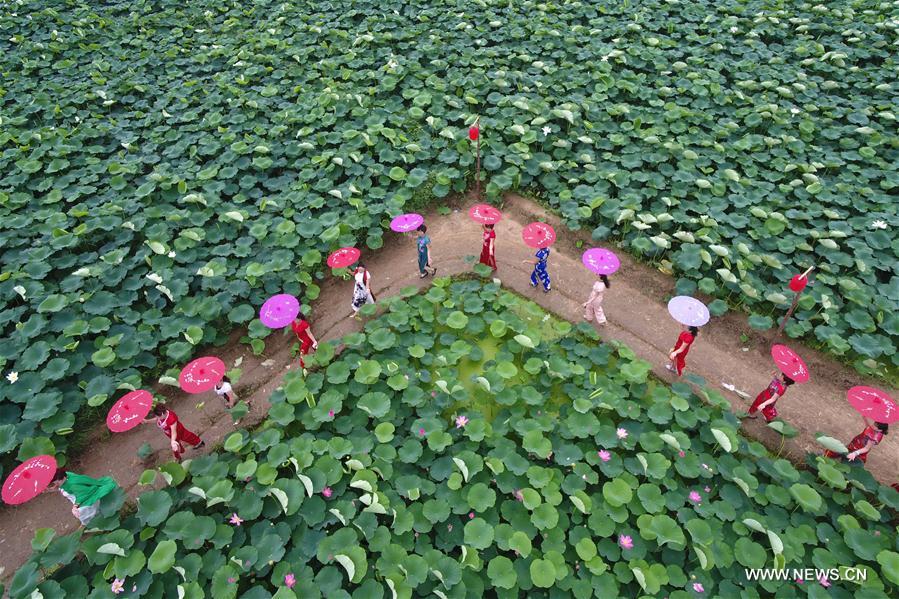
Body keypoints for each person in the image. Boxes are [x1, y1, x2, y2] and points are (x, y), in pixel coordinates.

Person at [44, 470, 118, 526]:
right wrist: (50, 489)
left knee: (80, 512)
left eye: (57, 482)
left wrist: (75, 507)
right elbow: (61, 487)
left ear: (62, 479)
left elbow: (83, 495)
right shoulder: (66, 475)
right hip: (77, 494)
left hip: (85, 495)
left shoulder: (73, 485)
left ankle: (93, 522)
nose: (56, 484)